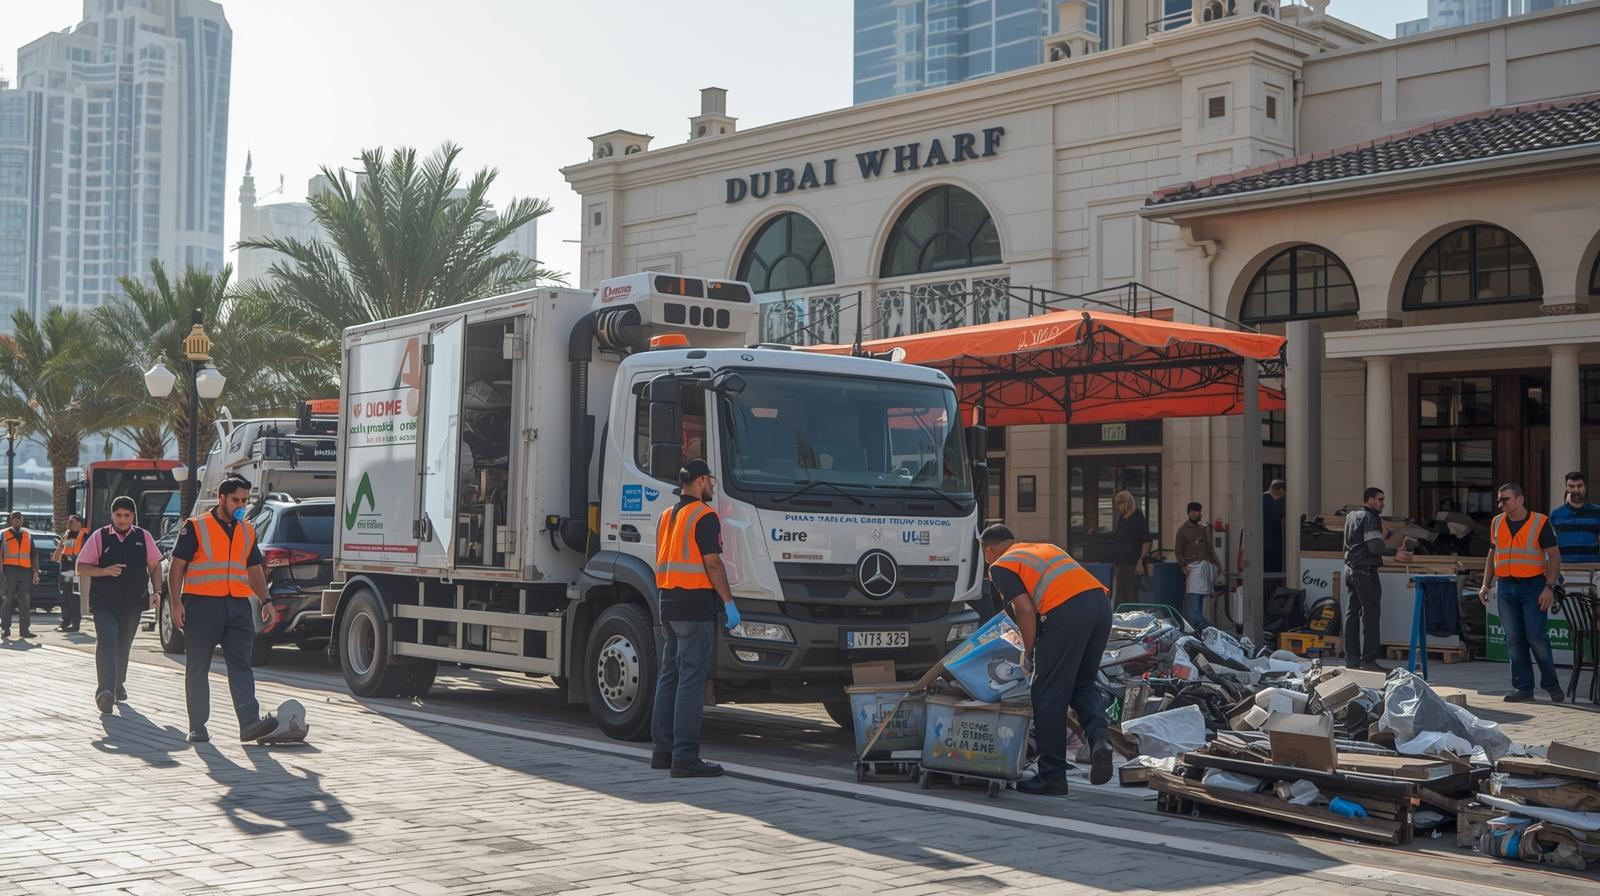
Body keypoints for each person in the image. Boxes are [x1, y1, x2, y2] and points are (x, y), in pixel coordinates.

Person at [982, 524, 1113, 795]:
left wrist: (1028, 652)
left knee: (1046, 692)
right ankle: (1100, 738)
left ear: (988, 550)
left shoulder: (1001, 564)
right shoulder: (1043, 548)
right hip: (1100, 606)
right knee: (1082, 683)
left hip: (1065, 613)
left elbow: (1024, 609)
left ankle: (1052, 776)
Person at [168, 476, 278, 743]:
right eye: (236, 500)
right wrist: (176, 603)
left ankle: (249, 723)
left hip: (238, 607)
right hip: (202, 605)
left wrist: (266, 600)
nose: (241, 505)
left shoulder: (247, 530)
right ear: (221, 498)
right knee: (198, 667)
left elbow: (254, 569)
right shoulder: (196, 526)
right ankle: (197, 726)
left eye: (245, 500)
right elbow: (176, 567)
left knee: (241, 665)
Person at [650, 458, 737, 778]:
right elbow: (712, 563)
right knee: (691, 679)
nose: (713, 485)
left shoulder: (666, 515)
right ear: (700, 481)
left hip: (668, 602)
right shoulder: (704, 515)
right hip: (694, 605)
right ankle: (685, 757)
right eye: (711, 480)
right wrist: (729, 602)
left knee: (669, 676)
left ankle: (662, 752)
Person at [74, 497, 163, 713]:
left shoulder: (144, 537)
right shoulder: (100, 536)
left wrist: (158, 591)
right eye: (118, 515)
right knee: (107, 641)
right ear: (112, 515)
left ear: (133, 516)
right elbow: (81, 566)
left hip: (133, 603)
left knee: (123, 646)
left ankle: (117, 684)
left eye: (127, 516)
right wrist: (104, 571)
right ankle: (105, 691)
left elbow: (155, 566)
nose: (122, 520)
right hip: (104, 603)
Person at [1482, 482, 1564, 703]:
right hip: (1506, 586)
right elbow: (1492, 553)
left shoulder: (1540, 522)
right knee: (1514, 639)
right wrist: (1485, 583)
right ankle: (1523, 688)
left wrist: (1549, 587)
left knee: (1536, 637)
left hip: (1533, 586)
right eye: (1499, 500)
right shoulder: (1497, 522)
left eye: (1505, 499)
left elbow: (1554, 556)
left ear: (1520, 499)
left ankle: (1551, 685)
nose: (1501, 504)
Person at [1343, 487, 1388, 671]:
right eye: (1380, 499)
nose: (1383, 503)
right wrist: (1392, 548)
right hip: (1366, 572)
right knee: (1371, 615)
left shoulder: (1351, 516)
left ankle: (1351, 660)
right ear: (1370, 500)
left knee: (1352, 615)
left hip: (1350, 570)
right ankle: (1369, 660)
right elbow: (1375, 547)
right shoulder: (1371, 517)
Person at [1174, 501, 1220, 630]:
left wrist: (1218, 565)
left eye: (1198, 511)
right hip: (1192, 569)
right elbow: (1178, 550)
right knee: (1194, 606)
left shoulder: (1203, 529)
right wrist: (1183, 565)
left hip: (1205, 568)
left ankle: (1206, 631)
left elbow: (1210, 550)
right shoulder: (1182, 530)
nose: (1196, 513)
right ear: (1189, 513)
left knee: (1198, 605)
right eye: (1193, 511)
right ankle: (1209, 630)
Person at [1, 510, 39, 639]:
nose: (17, 520)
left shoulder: (28, 535)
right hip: (9, 572)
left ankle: (24, 630)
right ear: (11, 520)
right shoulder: (3, 534)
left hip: (25, 572)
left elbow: (34, 554)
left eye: (19, 519)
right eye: (14, 518)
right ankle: (5, 629)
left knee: (25, 602)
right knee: (7, 601)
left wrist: (35, 572)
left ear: (22, 521)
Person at [1110, 490, 1150, 608]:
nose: (1117, 507)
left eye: (1119, 504)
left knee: (1131, 594)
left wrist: (1140, 560)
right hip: (1121, 561)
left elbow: (1146, 540)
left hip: (1133, 562)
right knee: (1120, 595)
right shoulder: (1122, 519)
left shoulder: (1138, 517)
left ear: (1125, 503)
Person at [1549, 471, 1600, 565]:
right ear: (1566, 488)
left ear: (1585, 487)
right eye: (1571, 486)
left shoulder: (1597, 512)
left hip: (1593, 567)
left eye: (1579, 486)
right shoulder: (1555, 514)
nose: (1576, 490)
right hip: (1564, 568)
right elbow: (1550, 546)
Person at [52, 514, 87, 632]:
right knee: (65, 596)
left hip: (76, 571)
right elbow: (61, 548)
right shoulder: (67, 534)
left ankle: (75, 624)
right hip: (66, 569)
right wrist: (57, 557)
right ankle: (65, 622)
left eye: (72, 522)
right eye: (69, 522)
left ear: (79, 523)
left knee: (74, 597)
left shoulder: (85, 536)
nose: (69, 524)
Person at [1263, 479, 1287, 575]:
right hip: (1272, 547)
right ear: (1281, 490)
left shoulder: (1259, 499)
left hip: (1262, 546)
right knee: (1273, 575)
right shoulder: (1273, 503)